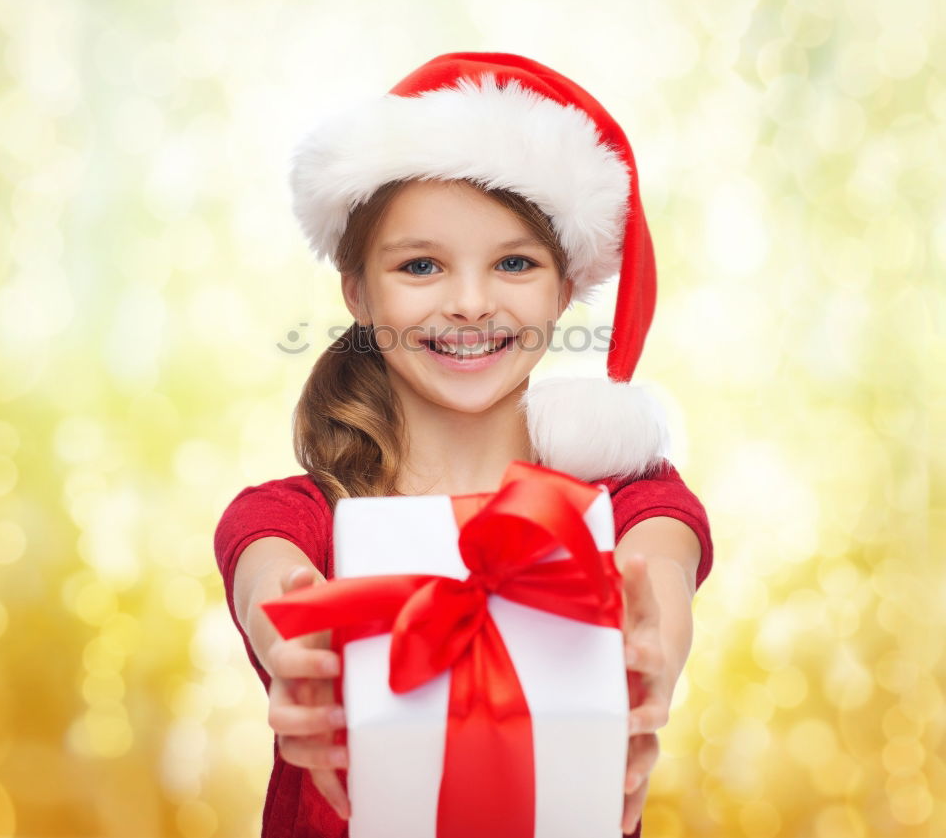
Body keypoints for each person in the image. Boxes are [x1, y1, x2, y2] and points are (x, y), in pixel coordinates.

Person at [214, 51, 714, 838]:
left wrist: (656, 632)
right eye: (421, 265)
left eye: (514, 262)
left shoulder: (624, 502)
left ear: (563, 287)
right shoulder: (299, 516)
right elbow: (269, 578)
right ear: (357, 291)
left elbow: (662, 565)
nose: (472, 303)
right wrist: (299, 636)